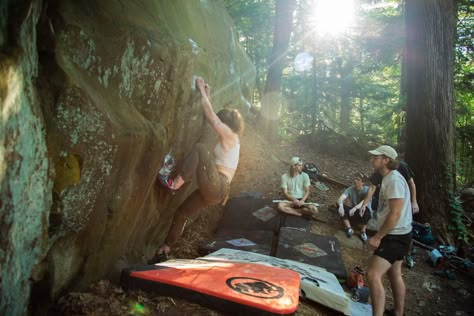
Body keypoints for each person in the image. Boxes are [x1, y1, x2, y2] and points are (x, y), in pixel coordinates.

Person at [152, 77, 244, 258]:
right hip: (215, 189)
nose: (218, 124)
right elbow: (213, 119)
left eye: (221, 122)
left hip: (218, 184)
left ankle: (175, 183)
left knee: (201, 149)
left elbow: (212, 118)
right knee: (181, 213)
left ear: (228, 125)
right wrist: (208, 96)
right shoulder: (229, 137)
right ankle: (166, 248)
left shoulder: (230, 136)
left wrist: (201, 90)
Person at [365, 145, 413, 316]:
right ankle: (399, 313)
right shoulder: (387, 178)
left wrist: (378, 237)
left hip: (395, 236)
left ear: (386, 160)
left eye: (376, 157)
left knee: (372, 274)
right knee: (394, 274)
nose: (372, 159)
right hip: (400, 234)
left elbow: (395, 213)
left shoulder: (393, 180)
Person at [337, 174, 372, 241]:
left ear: (363, 183)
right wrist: (341, 206)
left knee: (366, 210)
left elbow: (365, 201)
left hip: (363, 212)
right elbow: (341, 198)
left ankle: (363, 231)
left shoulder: (367, 189)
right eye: (355, 179)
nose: (355, 181)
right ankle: (349, 228)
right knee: (340, 206)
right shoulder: (351, 189)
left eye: (358, 180)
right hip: (354, 212)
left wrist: (355, 208)